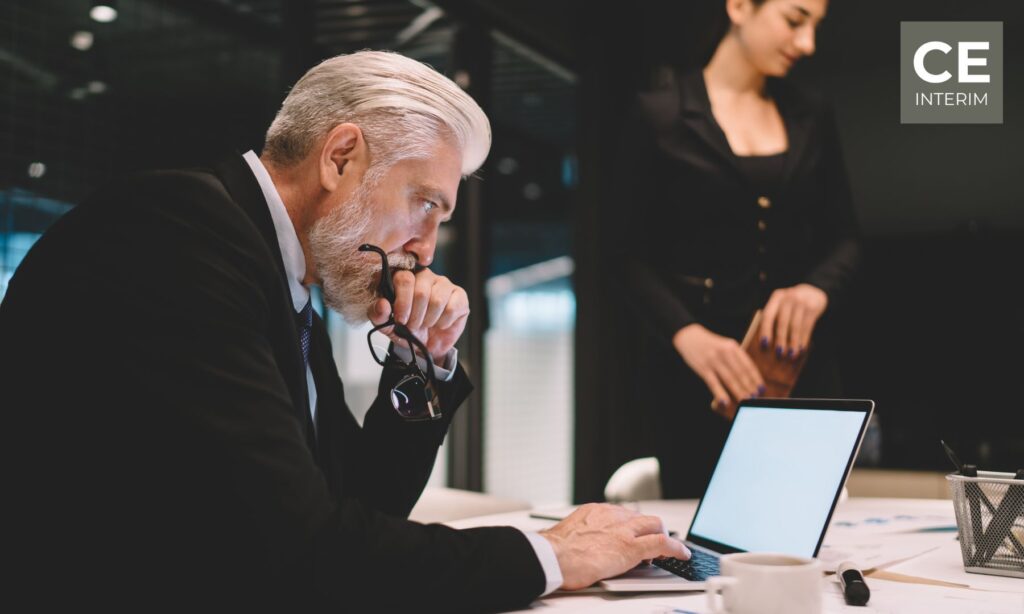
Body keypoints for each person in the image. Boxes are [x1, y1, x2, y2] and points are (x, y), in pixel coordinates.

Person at [1, 50, 688, 611]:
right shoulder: (178, 241)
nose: (425, 248)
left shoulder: (284, 271)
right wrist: (551, 557)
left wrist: (423, 362)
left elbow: (360, 505)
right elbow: (304, 554)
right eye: (424, 204)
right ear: (339, 158)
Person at [621, 0, 862, 497]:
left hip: (802, 374)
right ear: (738, 7)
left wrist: (816, 290)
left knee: (810, 535)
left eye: (815, 27)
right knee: (705, 549)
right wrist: (688, 335)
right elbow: (624, 256)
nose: (807, 44)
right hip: (702, 383)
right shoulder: (660, 114)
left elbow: (848, 237)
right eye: (795, 21)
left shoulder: (810, 115)